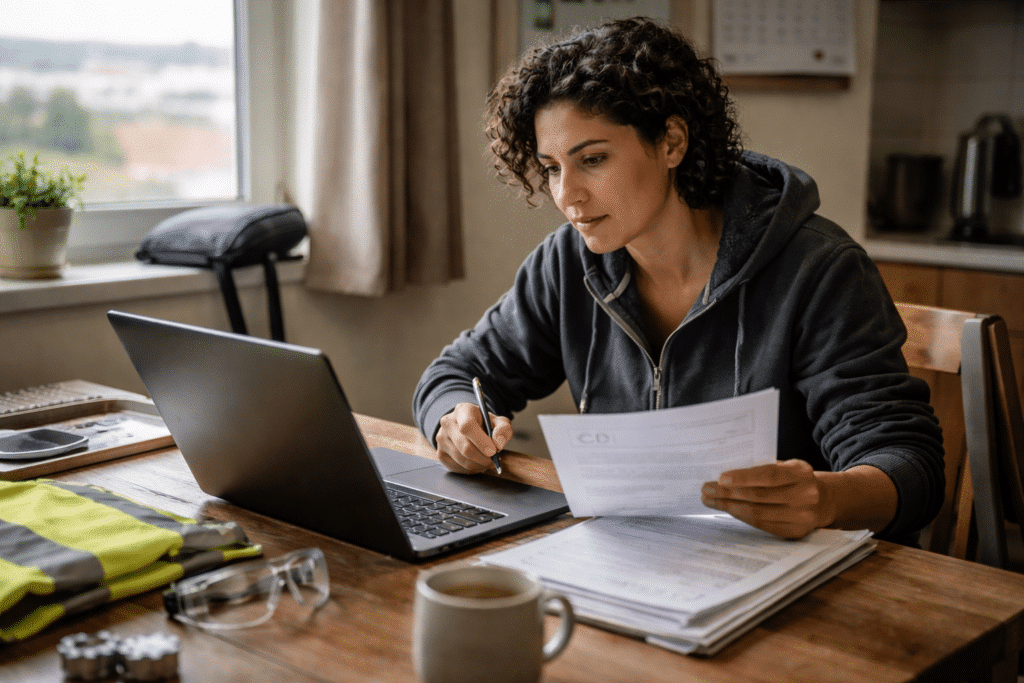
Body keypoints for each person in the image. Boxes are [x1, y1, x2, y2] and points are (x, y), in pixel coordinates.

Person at [412, 17, 944, 545]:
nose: (567, 196)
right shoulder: (566, 263)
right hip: (634, 561)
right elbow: (458, 372)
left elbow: (909, 464)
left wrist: (827, 498)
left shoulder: (819, 269)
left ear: (671, 141)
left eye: (592, 159)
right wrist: (453, 423)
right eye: (552, 168)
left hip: (789, 574)